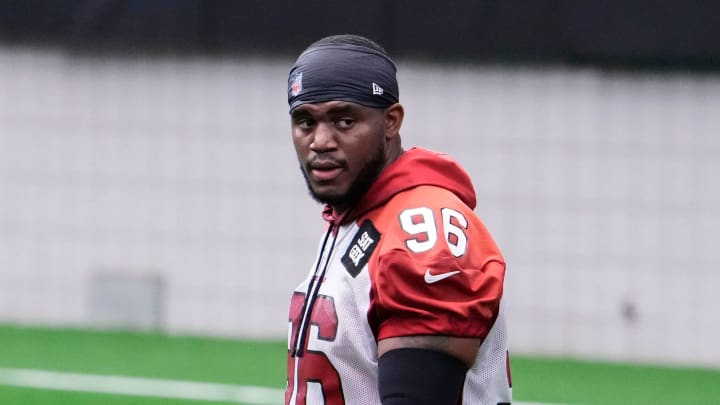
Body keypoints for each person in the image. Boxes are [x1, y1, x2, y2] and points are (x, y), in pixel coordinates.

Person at [285, 34, 511, 405]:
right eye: (305, 122)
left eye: (343, 120)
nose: (320, 141)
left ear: (391, 122)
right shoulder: (356, 218)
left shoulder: (422, 230)